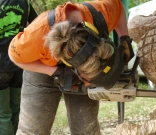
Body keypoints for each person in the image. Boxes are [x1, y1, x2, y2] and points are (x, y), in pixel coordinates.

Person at [8, 0, 133, 134]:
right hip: (40, 67)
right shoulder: (36, 36)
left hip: (76, 66)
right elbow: (13, 55)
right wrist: (55, 71)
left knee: (86, 130)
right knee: (32, 130)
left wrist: (124, 38)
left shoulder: (101, 12)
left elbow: (119, 7)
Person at [0, 0, 37, 135]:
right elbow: (36, 25)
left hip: (1, 66)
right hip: (19, 61)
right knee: (17, 109)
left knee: (2, 114)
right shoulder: (24, 3)